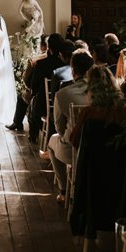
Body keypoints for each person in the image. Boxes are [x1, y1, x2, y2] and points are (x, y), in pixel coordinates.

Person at [47, 51, 92, 200]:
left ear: (72, 70)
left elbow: (59, 128)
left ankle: (64, 190)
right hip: (98, 148)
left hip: (73, 149)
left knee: (52, 141)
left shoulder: (62, 94)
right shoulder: (102, 91)